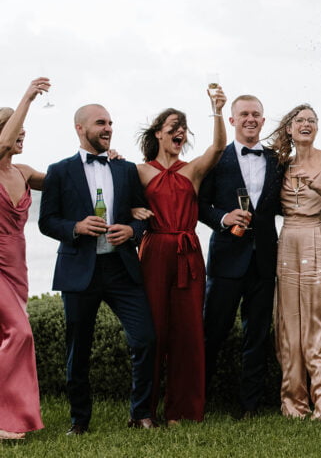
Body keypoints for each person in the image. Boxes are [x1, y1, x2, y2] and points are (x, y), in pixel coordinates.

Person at [39, 103, 157, 434]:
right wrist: (75, 227)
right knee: (78, 349)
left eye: (110, 123)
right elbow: (47, 221)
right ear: (80, 128)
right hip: (79, 270)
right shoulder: (59, 171)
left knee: (145, 339)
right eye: (100, 123)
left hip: (121, 268)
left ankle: (140, 413)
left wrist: (131, 231)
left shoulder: (126, 169)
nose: (108, 128)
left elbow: (142, 215)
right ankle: (79, 421)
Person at [135, 87, 227, 424]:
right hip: (154, 251)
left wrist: (218, 110)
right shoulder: (140, 171)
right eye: (174, 126)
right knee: (154, 330)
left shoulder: (193, 170)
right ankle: (145, 409)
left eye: (184, 128)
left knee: (188, 331)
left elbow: (218, 147)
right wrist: (131, 209)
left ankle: (183, 410)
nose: (180, 132)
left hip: (187, 252)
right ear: (158, 133)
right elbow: (119, 201)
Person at [198, 94, 283, 417]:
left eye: (256, 114)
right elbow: (199, 204)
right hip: (226, 259)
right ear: (232, 120)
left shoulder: (277, 159)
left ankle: (250, 405)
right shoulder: (216, 157)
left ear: (263, 120)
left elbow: (287, 202)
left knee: (257, 336)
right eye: (244, 114)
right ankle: (198, 400)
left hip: (265, 259)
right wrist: (223, 218)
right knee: (212, 333)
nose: (250, 119)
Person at [267, 104, 321, 420]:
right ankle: (293, 403)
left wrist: (315, 186)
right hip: (288, 240)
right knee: (290, 322)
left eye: (312, 120)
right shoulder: (280, 164)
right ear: (289, 128)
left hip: (319, 236)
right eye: (300, 120)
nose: (306, 124)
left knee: (320, 321)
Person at [0, 78, 49, 440]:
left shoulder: (24, 172)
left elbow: (66, 180)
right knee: (20, 332)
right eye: (15, 127)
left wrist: (106, 162)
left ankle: (10, 416)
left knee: (7, 334)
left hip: (18, 265)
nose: (22, 133)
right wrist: (28, 98)